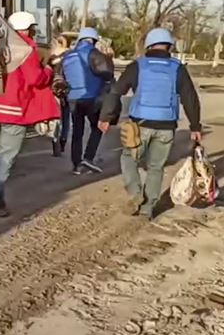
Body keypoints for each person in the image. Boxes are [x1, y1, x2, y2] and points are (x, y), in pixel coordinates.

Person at [98, 28, 202, 219]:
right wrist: (195, 127)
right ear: (169, 46)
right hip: (166, 127)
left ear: (149, 45)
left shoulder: (138, 66)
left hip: (141, 125)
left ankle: (136, 194)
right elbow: (190, 98)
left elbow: (116, 91)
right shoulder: (177, 68)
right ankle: (148, 209)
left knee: (129, 159)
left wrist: (106, 117)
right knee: (156, 167)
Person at [0, 11, 58, 218]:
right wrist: (48, 69)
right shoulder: (25, 47)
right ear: (28, 28)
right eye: (33, 28)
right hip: (13, 108)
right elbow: (35, 79)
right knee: (7, 158)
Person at [61, 27, 114, 175]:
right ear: (94, 40)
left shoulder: (68, 56)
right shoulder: (95, 54)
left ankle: (76, 164)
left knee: (77, 131)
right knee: (97, 127)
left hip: (73, 99)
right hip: (91, 97)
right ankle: (88, 158)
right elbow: (107, 74)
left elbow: (61, 76)